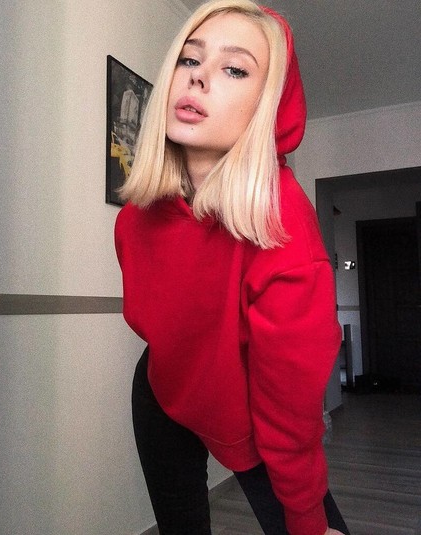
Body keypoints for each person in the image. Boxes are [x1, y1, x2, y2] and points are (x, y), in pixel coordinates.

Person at [115, 1, 350, 534]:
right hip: (163, 386)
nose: (198, 77)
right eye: (189, 59)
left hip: (255, 410)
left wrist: (307, 518)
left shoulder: (282, 222)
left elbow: (290, 405)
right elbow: (155, 323)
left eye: (235, 69)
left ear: (267, 107)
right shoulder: (134, 220)